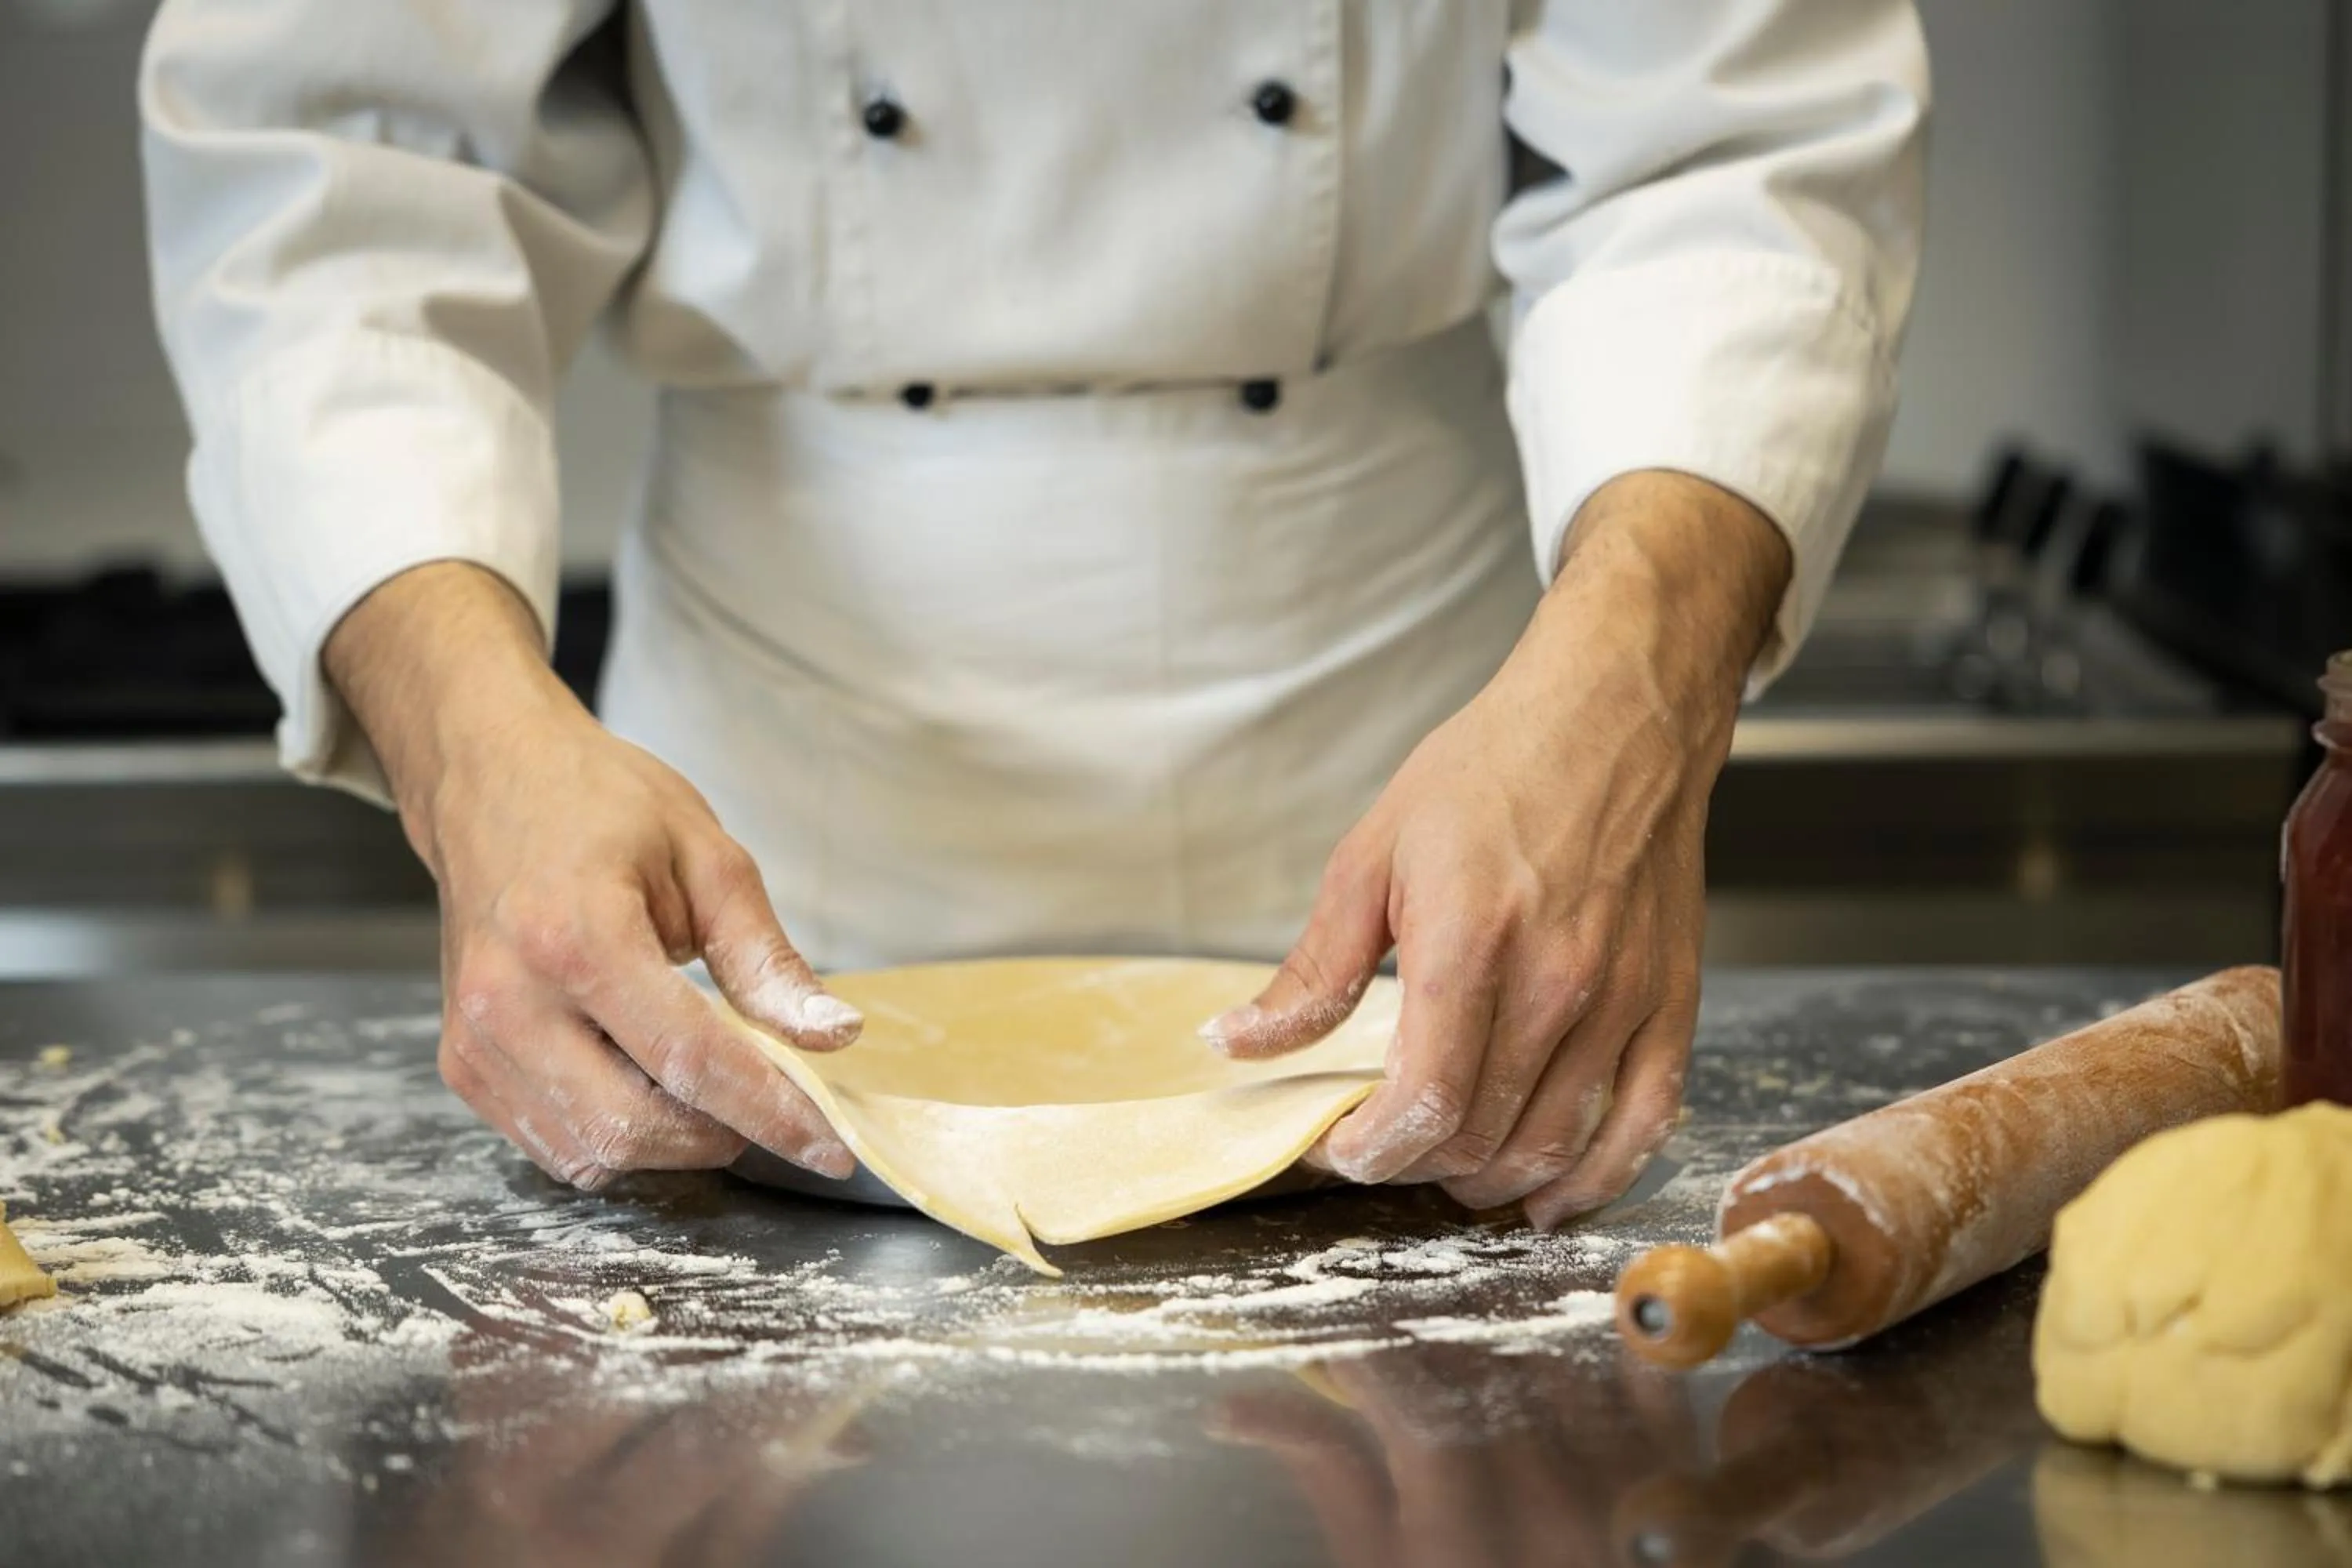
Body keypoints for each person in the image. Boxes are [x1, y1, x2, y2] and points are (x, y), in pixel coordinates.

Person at [140, 3, 1927, 1226]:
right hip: (763, 845)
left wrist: (1629, 695)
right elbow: (341, 172)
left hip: (1452, 818)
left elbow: (1735, 140)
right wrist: (475, 756)